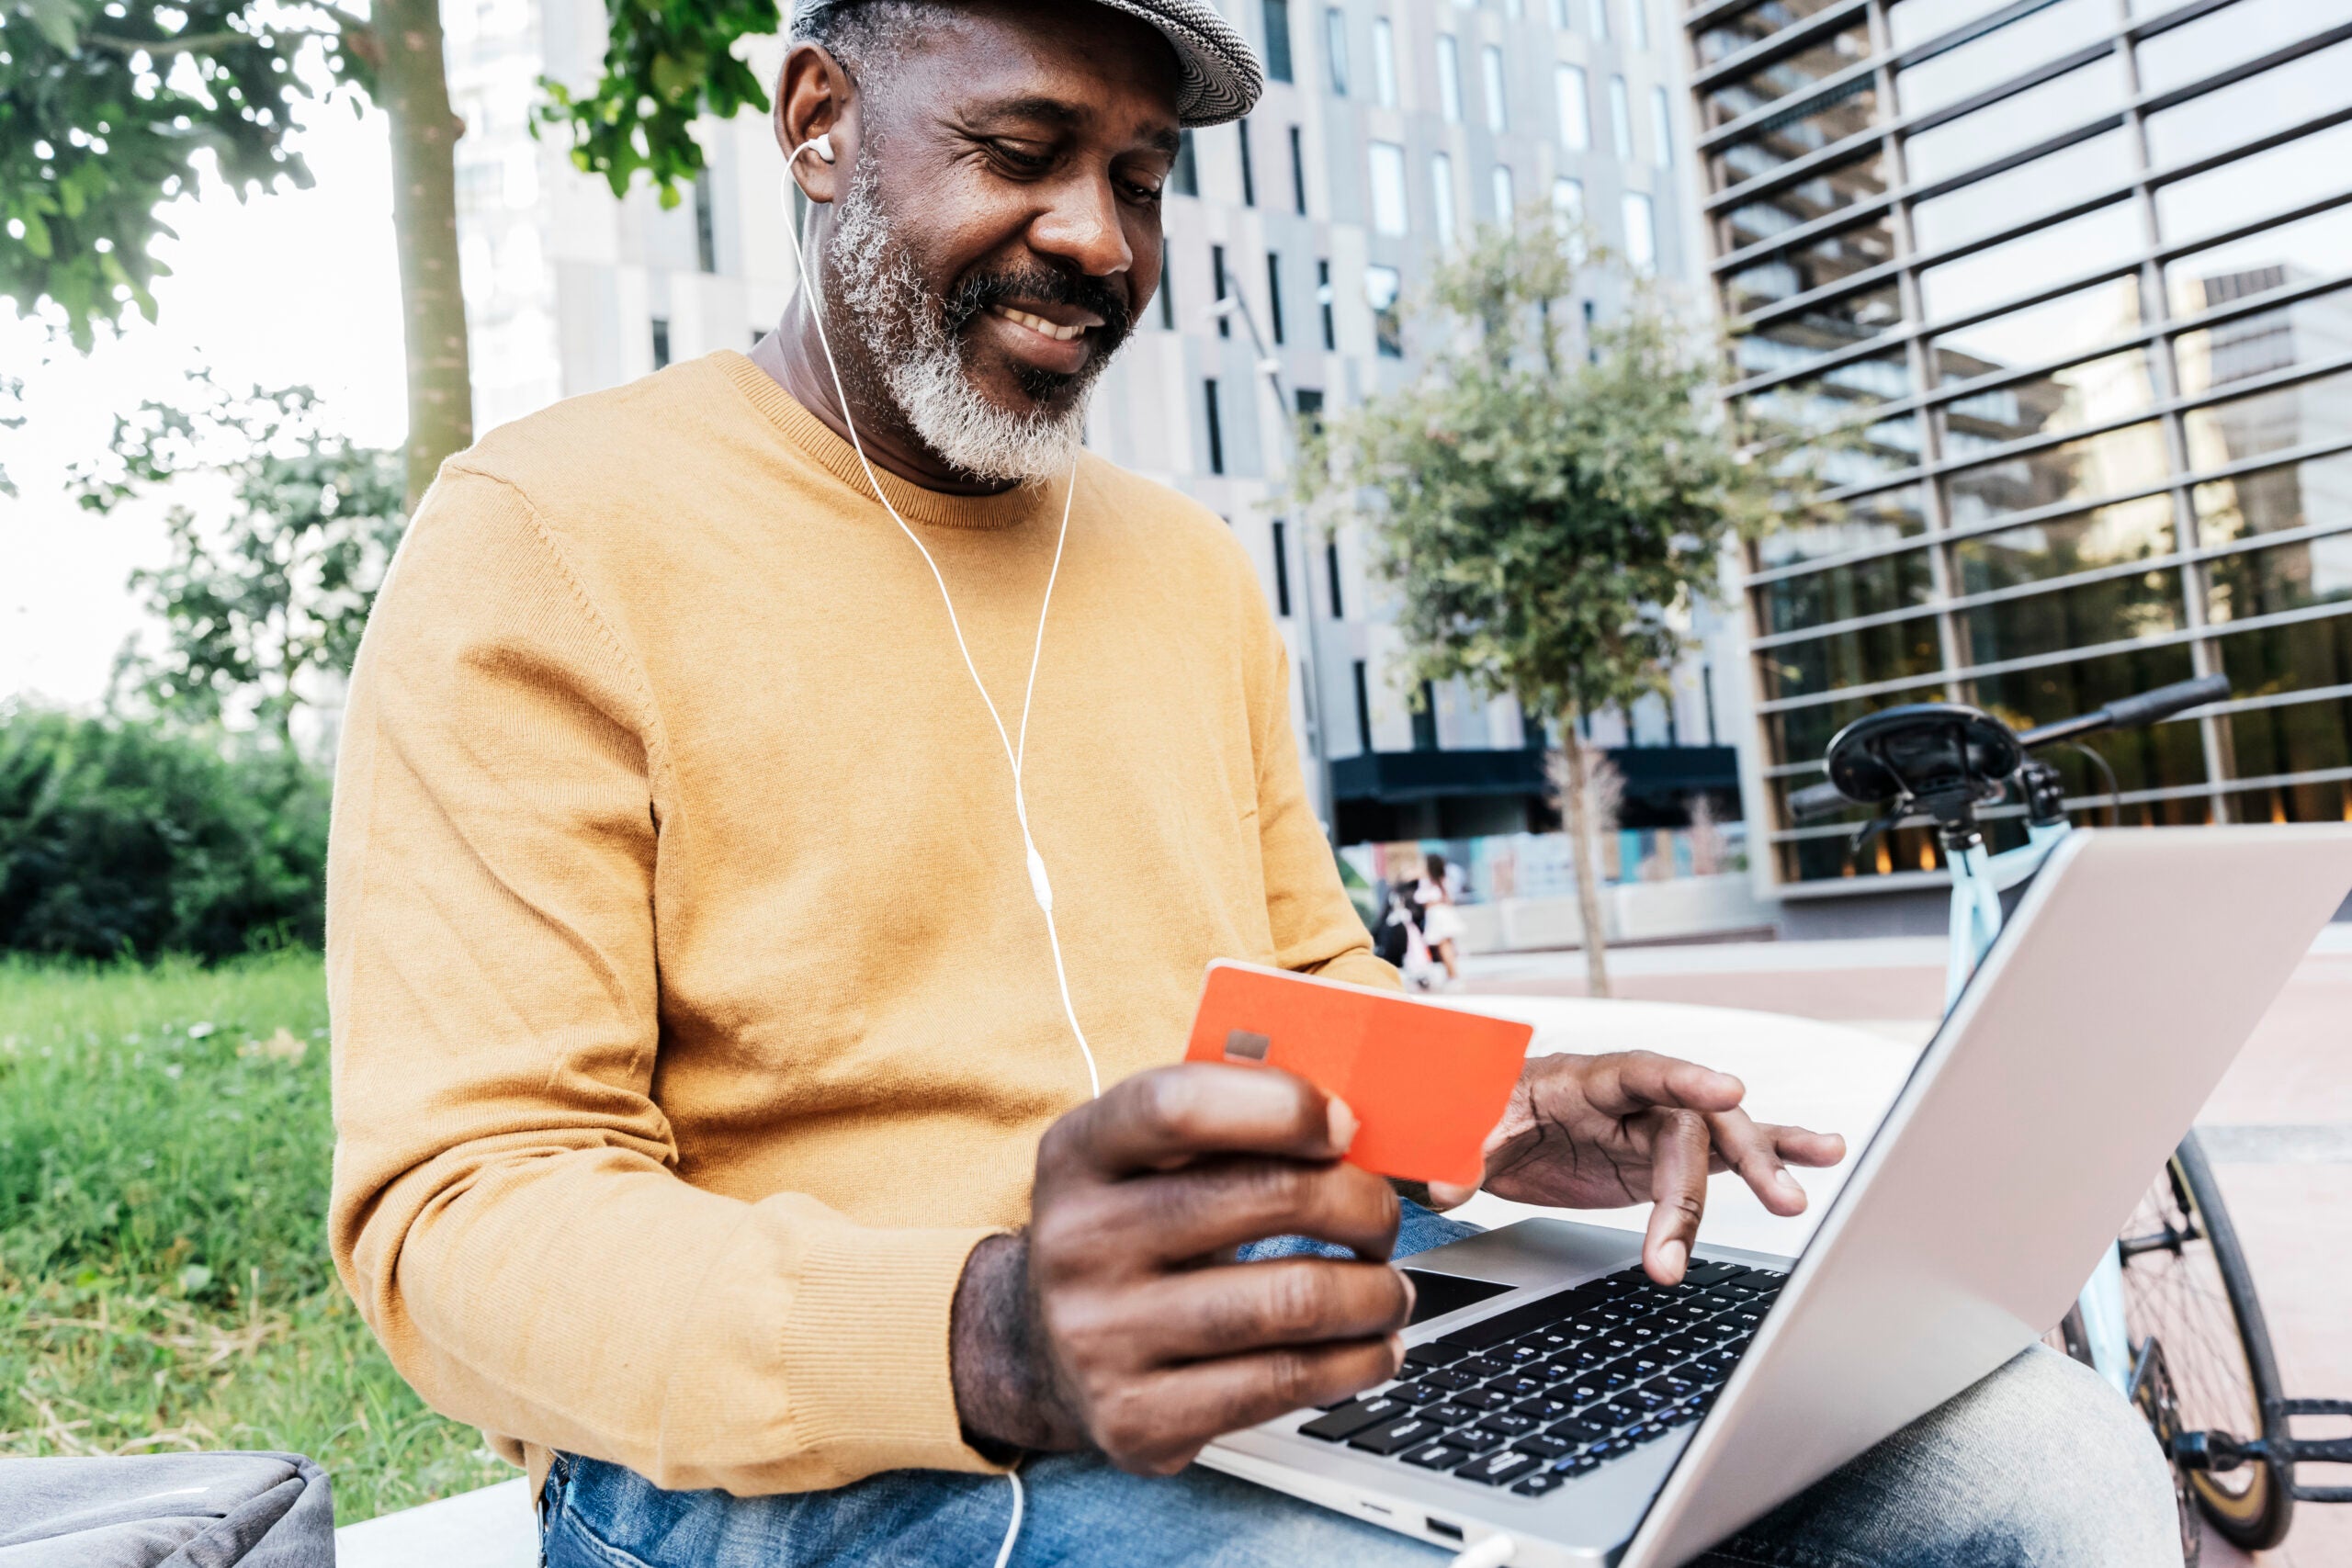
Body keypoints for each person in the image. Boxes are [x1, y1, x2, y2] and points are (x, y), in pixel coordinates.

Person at [323, 1, 2182, 1563]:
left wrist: (1496, 1112)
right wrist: (982, 1332)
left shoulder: (1183, 564)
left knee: (2041, 1461)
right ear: (819, 121)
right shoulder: (547, 533)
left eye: (1136, 177)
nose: (1100, 239)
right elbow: (459, 1214)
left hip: (1292, 1344)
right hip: (812, 1455)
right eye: (1021, 147)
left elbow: (1311, 1000)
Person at [1415, 852, 1466, 987]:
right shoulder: (1444, 880)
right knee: (1448, 946)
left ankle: (1453, 976)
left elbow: (1420, 898)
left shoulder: (1427, 880)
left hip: (1437, 915)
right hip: (1445, 913)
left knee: (1444, 947)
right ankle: (1451, 975)